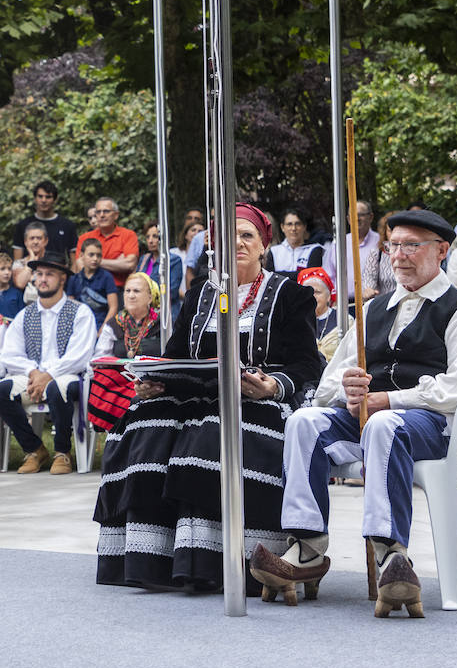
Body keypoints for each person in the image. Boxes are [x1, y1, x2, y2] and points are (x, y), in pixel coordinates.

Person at [251, 210, 457, 617]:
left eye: (412, 245)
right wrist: (348, 389)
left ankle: (390, 556)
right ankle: (307, 547)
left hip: (440, 426)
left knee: (384, 422)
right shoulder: (373, 309)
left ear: (442, 250)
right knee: (303, 422)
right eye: (393, 245)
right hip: (371, 422)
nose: (399, 255)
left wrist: (389, 400)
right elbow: (329, 381)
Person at [96, 204, 319, 591]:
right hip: (197, 394)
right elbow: (175, 353)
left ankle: (210, 563)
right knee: (144, 420)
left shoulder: (290, 293)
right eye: (227, 236)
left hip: (261, 399)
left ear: (264, 245)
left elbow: (306, 365)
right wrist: (153, 379)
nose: (237, 243)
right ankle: (153, 562)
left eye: (246, 235)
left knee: (212, 430)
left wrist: (272, 384)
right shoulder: (202, 292)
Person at [0, 250, 97, 475]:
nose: (43, 279)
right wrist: (33, 372)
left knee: (58, 387)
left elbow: (80, 355)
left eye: (49, 274)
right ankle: (34, 449)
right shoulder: (25, 314)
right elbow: (9, 354)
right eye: (39, 274)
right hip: (33, 375)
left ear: (62, 278)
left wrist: (48, 374)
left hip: (70, 374)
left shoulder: (80, 312)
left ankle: (62, 452)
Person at [86, 271, 163, 433]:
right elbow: (99, 358)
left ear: (150, 297)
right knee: (101, 377)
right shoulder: (114, 324)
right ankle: (120, 429)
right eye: (127, 291)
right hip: (122, 380)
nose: (131, 295)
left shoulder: (161, 325)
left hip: (152, 382)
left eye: (136, 291)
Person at [77, 197, 139, 288]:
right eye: (98, 212)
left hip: (120, 290)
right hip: (91, 290)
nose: (101, 215)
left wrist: (92, 261)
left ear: (116, 215)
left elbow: (130, 264)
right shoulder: (84, 238)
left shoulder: (128, 235)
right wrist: (118, 263)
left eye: (106, 211)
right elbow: (81, 267)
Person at [10, 180, 80, 261]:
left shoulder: (67, 225)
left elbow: (75, 261)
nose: (43, 200)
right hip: (29, 271)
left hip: (57, 271)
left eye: (48, 197)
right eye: (40, 196)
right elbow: (17, 262)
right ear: (35, 198)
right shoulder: (23, 225)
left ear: (55, 200)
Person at [134, 220, 184, 319]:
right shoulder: (144, 259)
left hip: (166, 315)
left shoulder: (173, 260)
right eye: (148, 237)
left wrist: (145, 297)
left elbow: (171, 292)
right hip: (144, 315)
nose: (150, 240)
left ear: (163, 238)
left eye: (155, 236)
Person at [67, 238, 119, 327]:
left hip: (101, 324)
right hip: (79, 326)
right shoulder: (73, 279)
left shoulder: (107, 277)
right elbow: (69, 308)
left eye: (98, 255)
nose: (95, 259)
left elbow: (113, 307)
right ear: (81, 255)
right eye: (91, 255)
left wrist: (103, 331)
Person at [298, 266, 342, 361]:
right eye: (307, 292)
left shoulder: (343, 319)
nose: (312, 297)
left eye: (317, 292)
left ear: (329, 296)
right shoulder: (293, 320)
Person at [269, 206, 326, 277]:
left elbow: (311, 277)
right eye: (289, 224)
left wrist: (279, 275)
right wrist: (300, 274)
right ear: (282, 227)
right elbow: (269, 277)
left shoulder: (314, 249)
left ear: (304, 227)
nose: (293, 228)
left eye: (298, 224)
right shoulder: (274, 251)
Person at [360, 210, 399, 303]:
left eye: (398, 231)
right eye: (390, 230)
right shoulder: (377, 253)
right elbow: (369, 277)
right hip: (384, 306)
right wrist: (368, 290)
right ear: (385, 232)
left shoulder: (414, 252)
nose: (394, 235)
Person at [9, 222, 49, 305]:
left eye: (39, 238)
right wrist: (31, 260)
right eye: (32, 238)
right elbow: (20, 283)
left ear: (46, 241)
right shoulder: (19, 263)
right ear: (25, 242)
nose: (35, 241)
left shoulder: (51, 262)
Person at [0, 254, 24, 320]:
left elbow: (21, 317)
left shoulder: (16, 293)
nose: (7, 272)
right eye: (2, 269)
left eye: (9, 269)